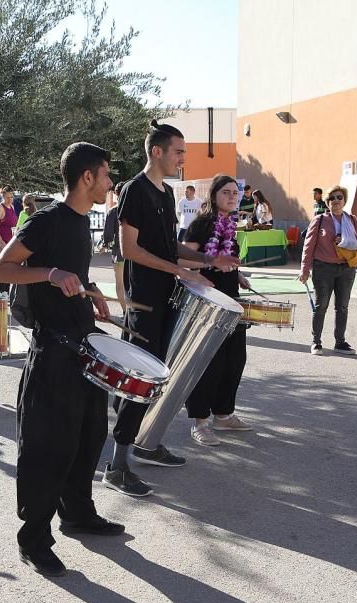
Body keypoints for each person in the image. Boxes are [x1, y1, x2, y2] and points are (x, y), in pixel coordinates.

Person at [0, 142, 123, 577]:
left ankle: (77, 513)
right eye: (106, 175)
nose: (109, 183)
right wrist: (49, 274)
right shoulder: (47, 219)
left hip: (84, 344)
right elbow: (1, 271)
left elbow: (73, 272)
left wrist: (90, 289)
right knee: (50, 445)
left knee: (88, 437)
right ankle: (34, 537)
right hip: (53, 350)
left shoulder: (82, 223)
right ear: (87, 177)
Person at [110, 120, 240, 495]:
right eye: (179, 151)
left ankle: (146, 444)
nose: (184, 158)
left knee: (160, 378)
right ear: (157, 152)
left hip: (167, 297)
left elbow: (169, 247)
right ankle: (117, 467)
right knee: (140, 379)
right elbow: (130, 250)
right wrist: (181, 269)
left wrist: (210, 262)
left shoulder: (166, 193)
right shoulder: (135, 190)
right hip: (144, 302)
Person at [181, 175, 252, 446]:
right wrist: (208, 268)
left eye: (236, 193)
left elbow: (228, 261)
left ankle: (224, 415)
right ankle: (200, 422)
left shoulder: (230, 226)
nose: (233, 197)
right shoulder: (201, 224)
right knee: (210, 362)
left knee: (235, 359)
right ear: (214, 195)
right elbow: (186, 260)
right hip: (207, 302)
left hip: (231, 302)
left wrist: (238, 275)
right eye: (227, 192)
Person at [299, 185, 357, 356]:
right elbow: (308, 245)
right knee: (321, 306)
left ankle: (340, 342)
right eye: (332, 198)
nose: (336, 201)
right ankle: (316, 342)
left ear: (344, 200)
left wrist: (347, 242)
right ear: (327, 202)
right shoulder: (320, 220)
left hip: (346, 268)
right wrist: (304, 269)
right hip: (323, 268)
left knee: (342, 306)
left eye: (339, 197)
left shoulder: (352, 220)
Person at [102, 181, 127, 314]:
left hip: (118, 253)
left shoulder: (113, 212)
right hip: (136, 254)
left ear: (116, 194)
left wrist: (104, 245)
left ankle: (125, 312)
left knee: (120, 285)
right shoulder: (136, 209)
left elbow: (108, 235)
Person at [0, 187, 19, 295]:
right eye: (7, 197)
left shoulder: (12, 207)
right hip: (3, 242)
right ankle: (3, 292)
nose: (10, 199)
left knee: (10, 267)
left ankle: (7, 292)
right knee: (2, 267)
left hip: (11, 242)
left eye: (11, 197)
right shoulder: (0, 208)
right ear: (2, 196)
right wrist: (1, 242)